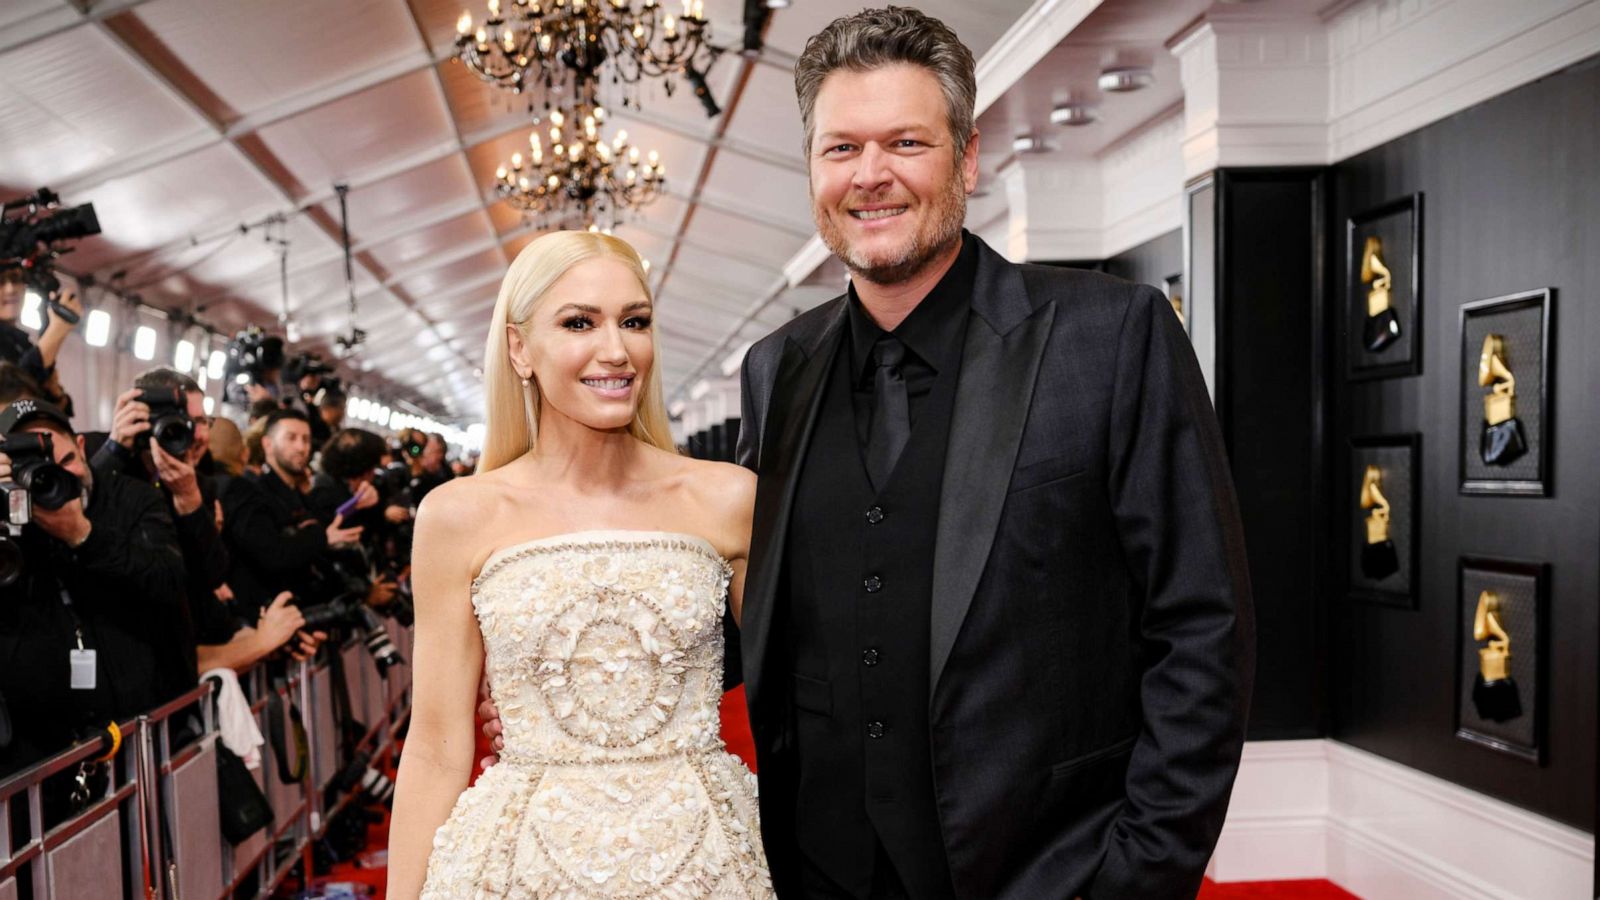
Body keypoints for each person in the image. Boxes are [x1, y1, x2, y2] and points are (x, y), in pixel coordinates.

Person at [484, 8, 1256, 897]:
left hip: (1044, 870)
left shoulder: (1109, 337)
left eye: (905, 143)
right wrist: (578, 661)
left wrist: (1141, 874)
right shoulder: (777, 369)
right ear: (812, 170)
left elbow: (1203, 626)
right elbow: (762, 612)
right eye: (841, 148)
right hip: (818, 869)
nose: (871, 176)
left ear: (965, 160)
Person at [387, 231, 770, 898]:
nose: (616, 350)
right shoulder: (457, 516)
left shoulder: (729, 498)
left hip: (704, 863)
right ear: (518, 348)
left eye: (635, 321)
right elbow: (437, 746)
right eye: (578, 323)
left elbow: (798, 704)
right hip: (517, 865)